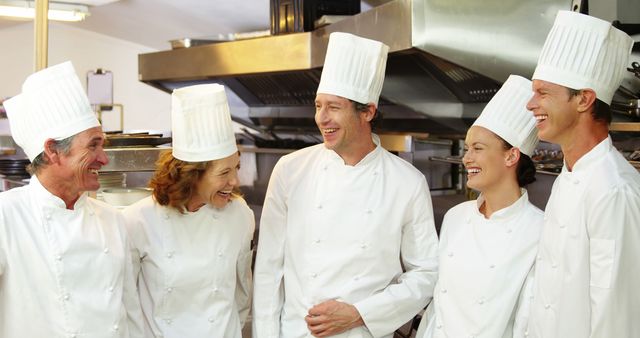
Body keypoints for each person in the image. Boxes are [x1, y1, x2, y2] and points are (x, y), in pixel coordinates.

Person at [252, 32, 439, 338]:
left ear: (367, 112)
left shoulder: (407, 183)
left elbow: (426, 273)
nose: (321, 118)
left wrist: (359, 314)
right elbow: (269, 270)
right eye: (318, 106)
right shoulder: (291, 170)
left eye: (334, 107)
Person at [0, 61, 143, 337]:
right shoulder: (7, 216)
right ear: (53, 150)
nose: (103, 159)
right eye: (93, 145)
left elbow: (130, 315)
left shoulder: (113, 220)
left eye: (103, 145)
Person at [525, 10, 640, 337]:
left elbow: (617, 317)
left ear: (584, 99)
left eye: (543, 92)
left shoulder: (614, 191)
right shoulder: (569, 176)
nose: (530, 104)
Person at [415, 75, 543, 338]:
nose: (466, 158)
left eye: (477, 148)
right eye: (466, 148)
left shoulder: (539, 230)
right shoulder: (456, 216)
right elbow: (438, 305)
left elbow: (527, 323)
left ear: (511, 155)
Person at [122, 83, 254, 338]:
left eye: (236, 168)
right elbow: (128, 305)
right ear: (192, 175)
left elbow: (242, 294)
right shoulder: (138, 220)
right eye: (224, 173)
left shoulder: (240, 215)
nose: (235, 182)